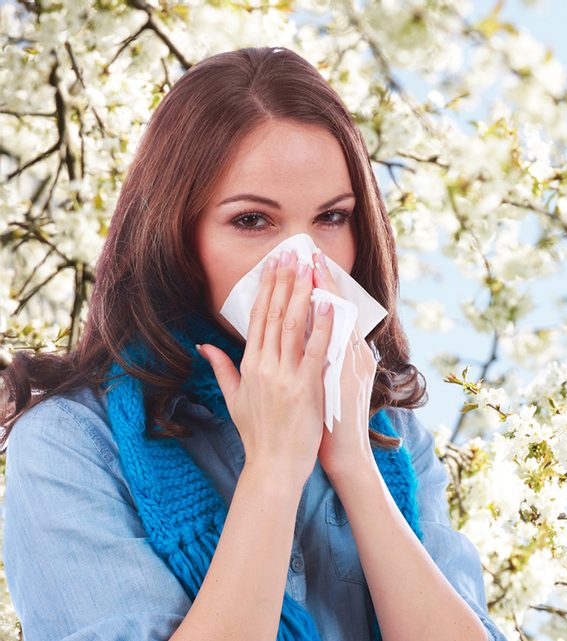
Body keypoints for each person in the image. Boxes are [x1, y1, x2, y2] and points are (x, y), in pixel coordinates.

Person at [0, 46, 506, 641]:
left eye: (332, 218)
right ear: (177, 238)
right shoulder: (74, 441)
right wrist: (274, 466)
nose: (304, 260)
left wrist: (353, 466)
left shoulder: (390, 432)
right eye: (252, 221)